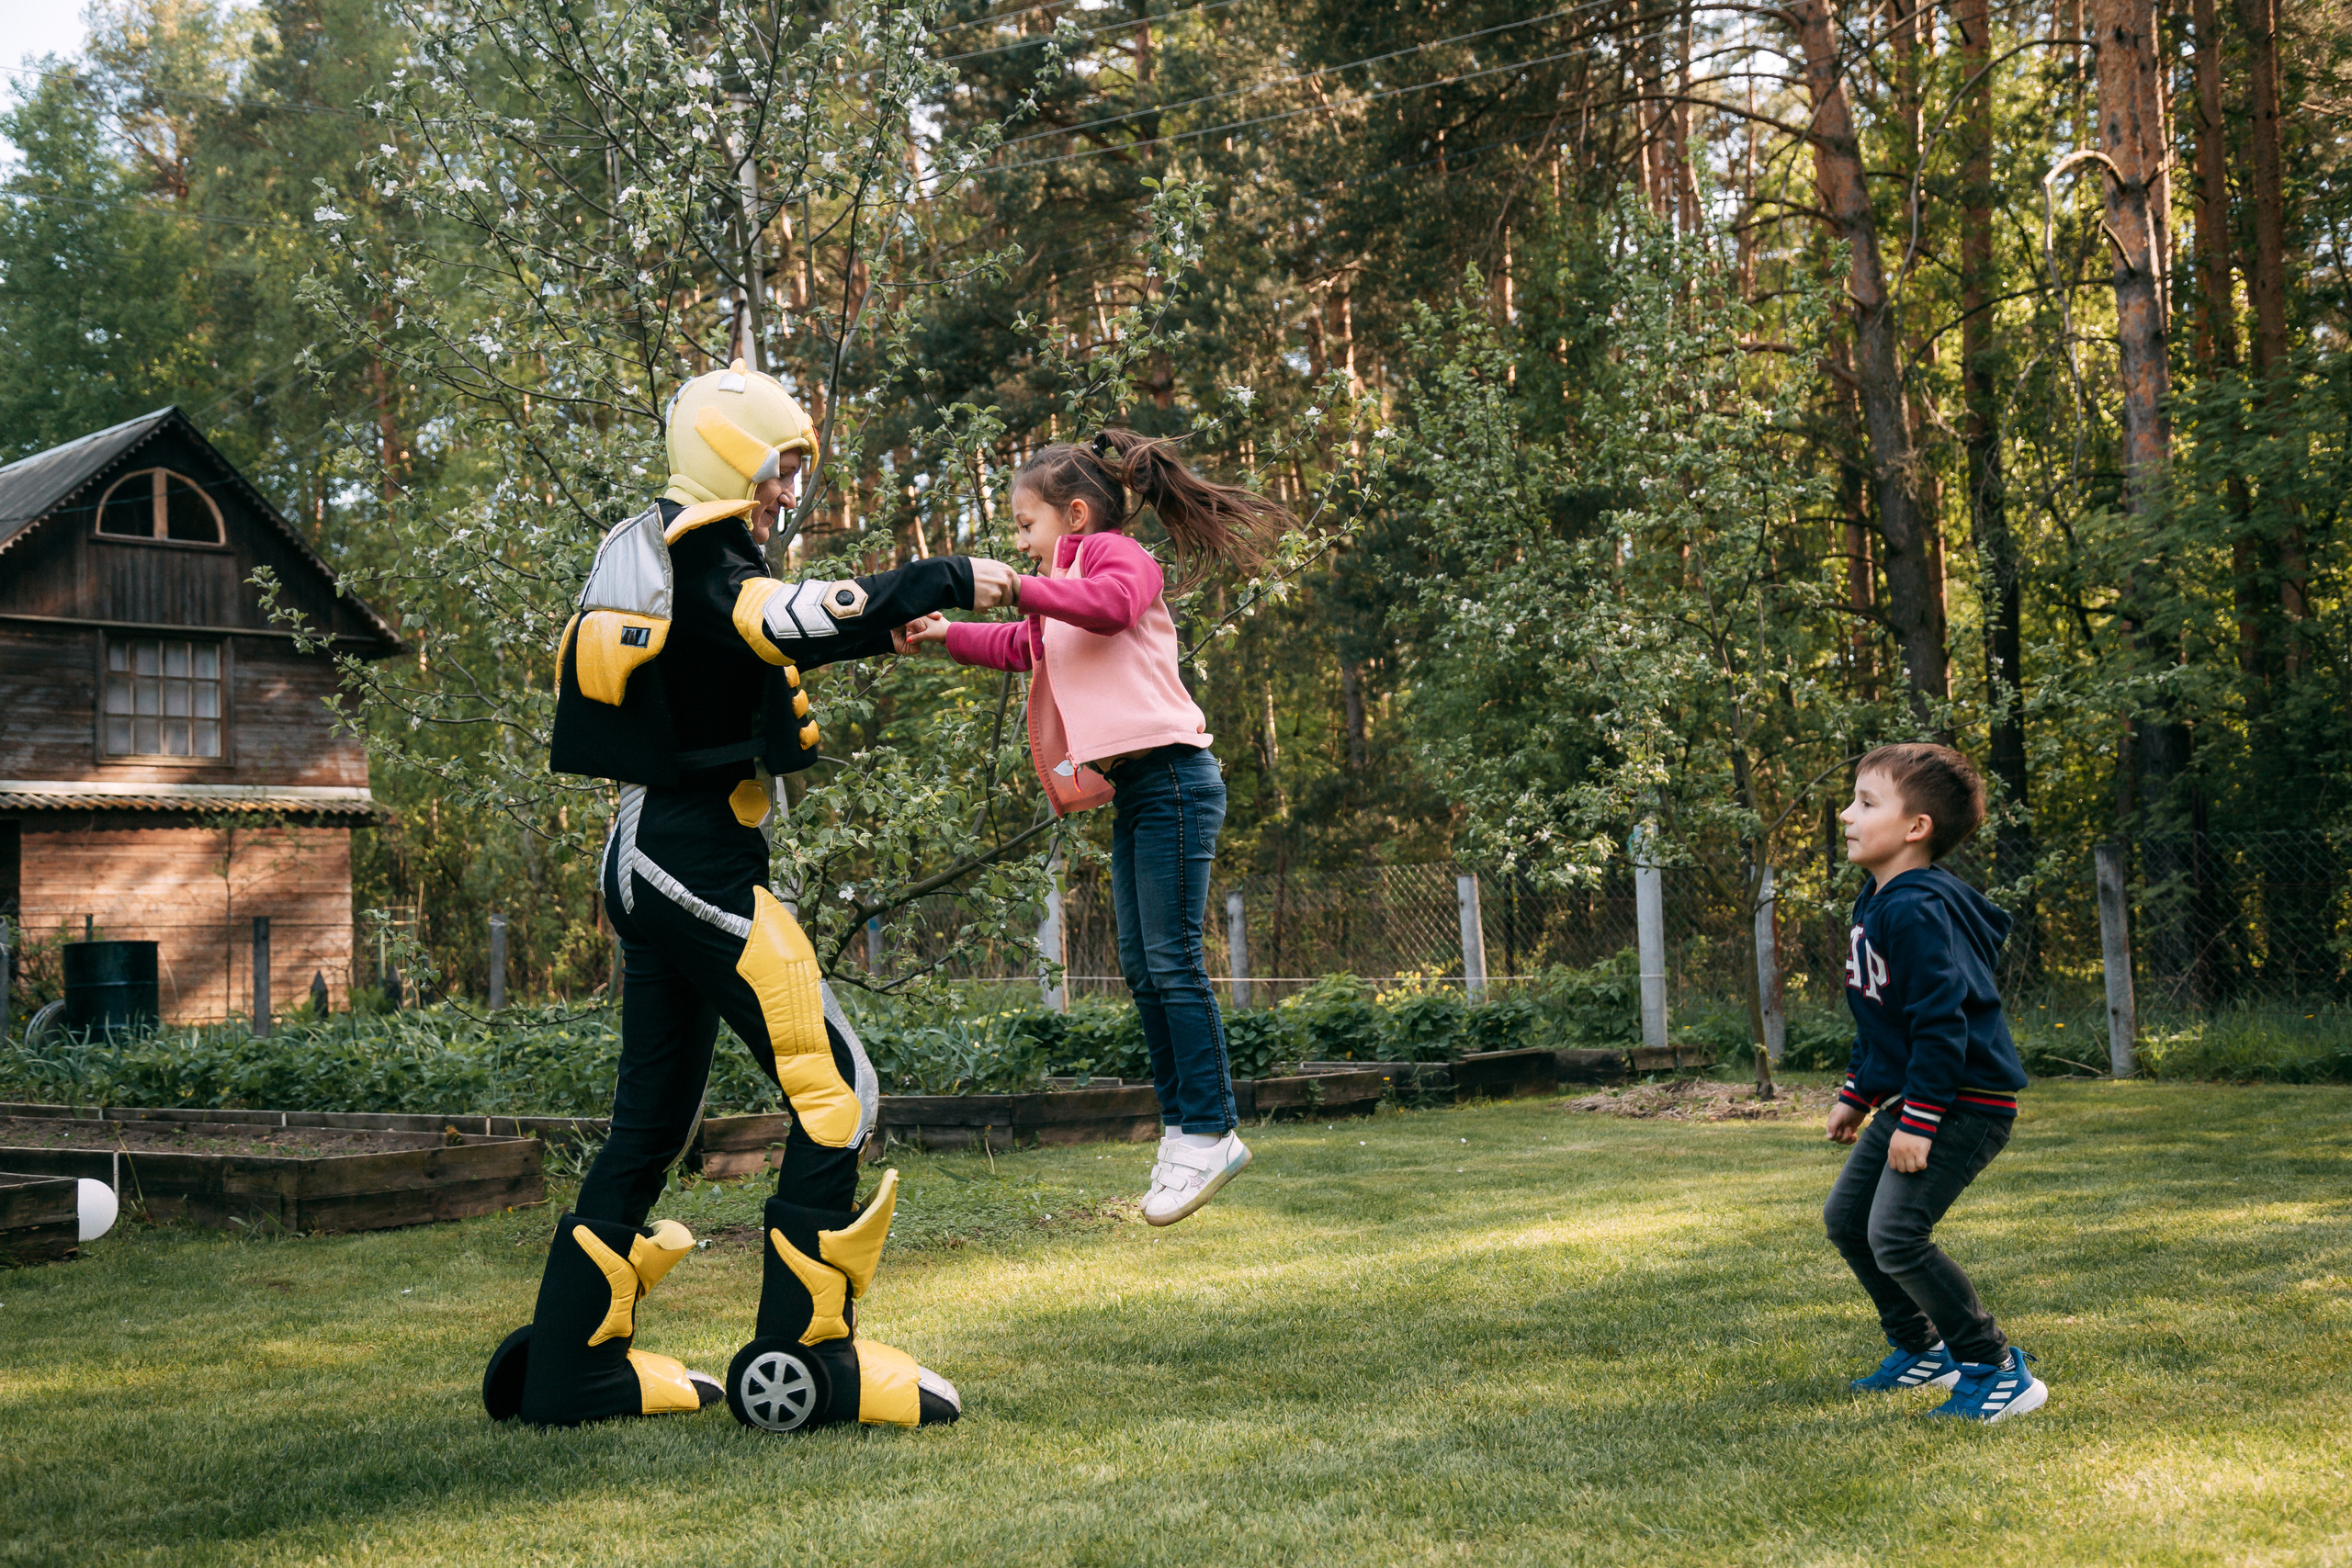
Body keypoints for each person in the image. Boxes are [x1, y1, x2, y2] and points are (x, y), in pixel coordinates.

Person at [481, 358, 1021, 1433]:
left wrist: (891, 624)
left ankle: (571, 1372)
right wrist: (947, 576)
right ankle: (805, 1360)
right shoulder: (706, 563)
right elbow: (790, 619)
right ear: (732, 456)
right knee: (839, 1094)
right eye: (781, 467)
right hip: (693, 861)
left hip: (656, 854)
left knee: (653, 1123)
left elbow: (769, 633)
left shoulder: (669, 553)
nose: (788, 490)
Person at [899, 430, 1287, 1225]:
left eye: (1024, 525)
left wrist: (1021, 589)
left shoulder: (1119, 558)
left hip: (1177, 778)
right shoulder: (1057, 588)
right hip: (1139, 789)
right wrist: (946, 638)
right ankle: (1183, 1130)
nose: (1017, 543)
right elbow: (1025, 646)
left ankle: (1214, 1130)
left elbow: (1108, 611)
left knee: (1173, 962)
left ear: (1073, 515)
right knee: (1145, 969)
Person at [1824, 742, 2044, 1423]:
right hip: (1916, 1093)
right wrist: (1859, 1091)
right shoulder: (1880, 900)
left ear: (1916, 827)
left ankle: (1995, 1367)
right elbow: (1887, 1018)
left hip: (1959, 1103)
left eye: (1866, 802)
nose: (1846, 815)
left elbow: (1942, 1023)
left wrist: (1919, 1119)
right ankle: (1921, 1350)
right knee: (1848, 1221)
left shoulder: (1917, 909)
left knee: (1896, 1234)